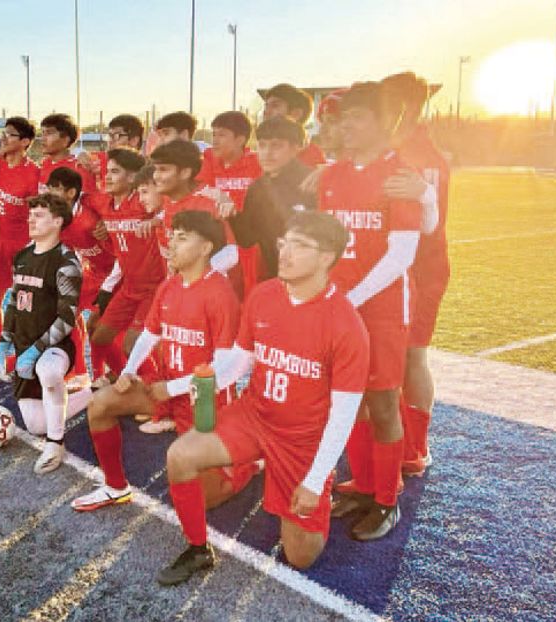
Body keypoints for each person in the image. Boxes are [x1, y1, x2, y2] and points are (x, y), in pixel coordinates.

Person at [156, 211, 369, 584]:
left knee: (300, 556)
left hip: (301, 438)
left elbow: (344, 413)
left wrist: (316, 479)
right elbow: (240, 362)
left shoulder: (345, 323)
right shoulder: (264, 293)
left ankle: (302, 488)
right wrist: (179, 386)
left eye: (300, 246)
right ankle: (197, 548)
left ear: (327, 258)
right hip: (254, 415)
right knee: (180, 457)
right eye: (283, 243)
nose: (284, 253)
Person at [72, 210, 254, 511]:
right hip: (167, 387)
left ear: (206, 247)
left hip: (206, 402)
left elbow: (224, 370)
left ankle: (247, 465)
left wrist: (173, 389)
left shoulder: (220, 294)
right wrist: (128, 371)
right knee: (101, 403)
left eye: (182, 238)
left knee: (203, 499)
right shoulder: (169, 286)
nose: (170, 244)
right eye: (171, 236)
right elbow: (149, 334)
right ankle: (115, 487)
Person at [320, 82, 421, 541]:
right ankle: (363, 483)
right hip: (342, 304)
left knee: (382, 402)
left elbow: (402, 253)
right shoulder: (333, 174)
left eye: (356, 116)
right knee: (350, 395)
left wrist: (352, 298)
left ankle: (387, 500)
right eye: (342, 117)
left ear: (385, 122)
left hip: (379, 311)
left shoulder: (400, 175)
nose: (345, 125)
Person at [380, 72, 450, 478]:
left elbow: (425, 226)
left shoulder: (421, 156)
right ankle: (392, 442)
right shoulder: (396, 149)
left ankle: (416, 446)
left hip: (420, 271)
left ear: (402, 108)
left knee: (411, 356)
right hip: (393, 270)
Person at [0, 193, 91, 473]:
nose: (31, 220)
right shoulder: (23, 255)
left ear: (58, 221)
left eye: (39, 215)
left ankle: (55, 444)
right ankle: (93, 394)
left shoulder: (67, 261)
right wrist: (4, 341)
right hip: (24, 346)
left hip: (56, 347)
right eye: (30, 214)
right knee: (36, 424)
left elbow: (67, 318)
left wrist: (36, 351)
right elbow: (13, 300)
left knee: (48, 371)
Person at [90, 148, 165, 378]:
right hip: (127, 288)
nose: (107, 176)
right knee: (98, 336)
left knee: (132, 345)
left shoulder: (144, 202)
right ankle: (123, 376)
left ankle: (155, 396)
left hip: (154, 289)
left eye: (115, 171)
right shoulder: (104, 204)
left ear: (132, 177)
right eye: (106, 171)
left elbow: (174, 206)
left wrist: (157, 220)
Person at [46, 167, 117, 389]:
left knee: (102, 329)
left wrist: (109, 222)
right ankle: (82, 373)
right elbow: (71, 252)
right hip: (92, 273)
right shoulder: (59, 219)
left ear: (70, 193)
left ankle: (110, 374)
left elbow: (119, 253)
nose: (49, 193)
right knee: (63, 313)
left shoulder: (90, 218)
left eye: (54, 189)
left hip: (117, 275)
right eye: (49, 188)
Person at [232, 116, 318, 280]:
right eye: (262, 145)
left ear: (296, 147)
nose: (267, 153)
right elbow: (247, 240)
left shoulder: (312, 183)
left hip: (310, 280)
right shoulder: (257, 188)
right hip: (275, 278)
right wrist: (231, 215)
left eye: (276, 146)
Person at [0, 117, 40, 376]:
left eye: (10, 135)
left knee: (24, 305)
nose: (4, 138)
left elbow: (38, 213)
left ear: (26, 142)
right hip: (0, 246)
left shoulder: (33, 173)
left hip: (25, 248)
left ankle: (23, 359)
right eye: (3, 134)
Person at [149, 140, 239, 285]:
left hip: (207, 293)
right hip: (178, 288)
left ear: (185, 172)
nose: (156, 176)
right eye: (156, 169)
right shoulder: (168, 198)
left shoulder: (209, 203)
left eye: (163, 170)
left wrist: (197, 273)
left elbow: (234, 250)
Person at [197, 111, 263, 291]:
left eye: (222, 135)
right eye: (214, 134)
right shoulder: (210, 158)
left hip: (247, 241)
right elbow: (201, 190)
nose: (215, 140)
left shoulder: (256, 162)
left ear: (240, 140)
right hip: (219, 239)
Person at [262, 83, 327, 167]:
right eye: (266, 106)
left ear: (296, 114)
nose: (266, 112)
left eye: (275, 106)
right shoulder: (259, 156)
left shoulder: (312, 157)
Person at [78, 114, 144, 187]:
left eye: (116, 136)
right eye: (109, 136)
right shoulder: (97, 160)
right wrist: (82, 157)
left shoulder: (146, 169)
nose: (110, 141)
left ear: (134, 140)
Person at [37, 113, 97, 195]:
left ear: (65, 140)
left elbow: (86, 203)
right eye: (42, 133)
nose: (43, 138)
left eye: (49, 133)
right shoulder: (44, 164)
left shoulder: (79, 168)